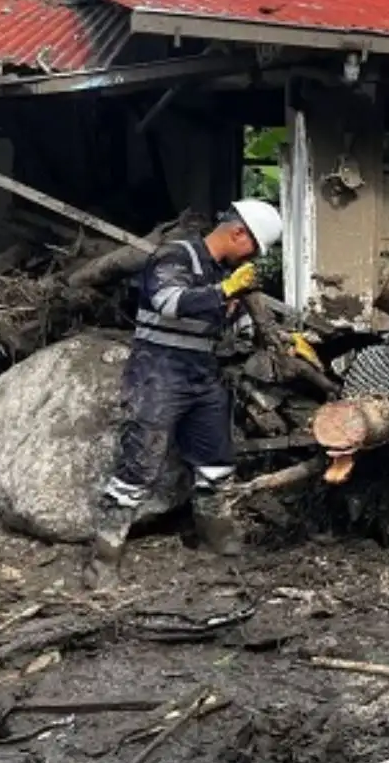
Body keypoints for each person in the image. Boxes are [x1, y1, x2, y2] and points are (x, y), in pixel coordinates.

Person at [86, 199, 284, 588]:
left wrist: (276, 339)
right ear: (238, 233)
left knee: (217, 460)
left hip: (203, 374)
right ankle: (104, 558)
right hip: (158, 371)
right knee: (138, 466)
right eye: (255, 249)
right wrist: (224, 290)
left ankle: (218, 536)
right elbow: (168, 302)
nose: (254, 258)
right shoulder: (176, 255)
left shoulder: (224, 272)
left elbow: (239, 323)